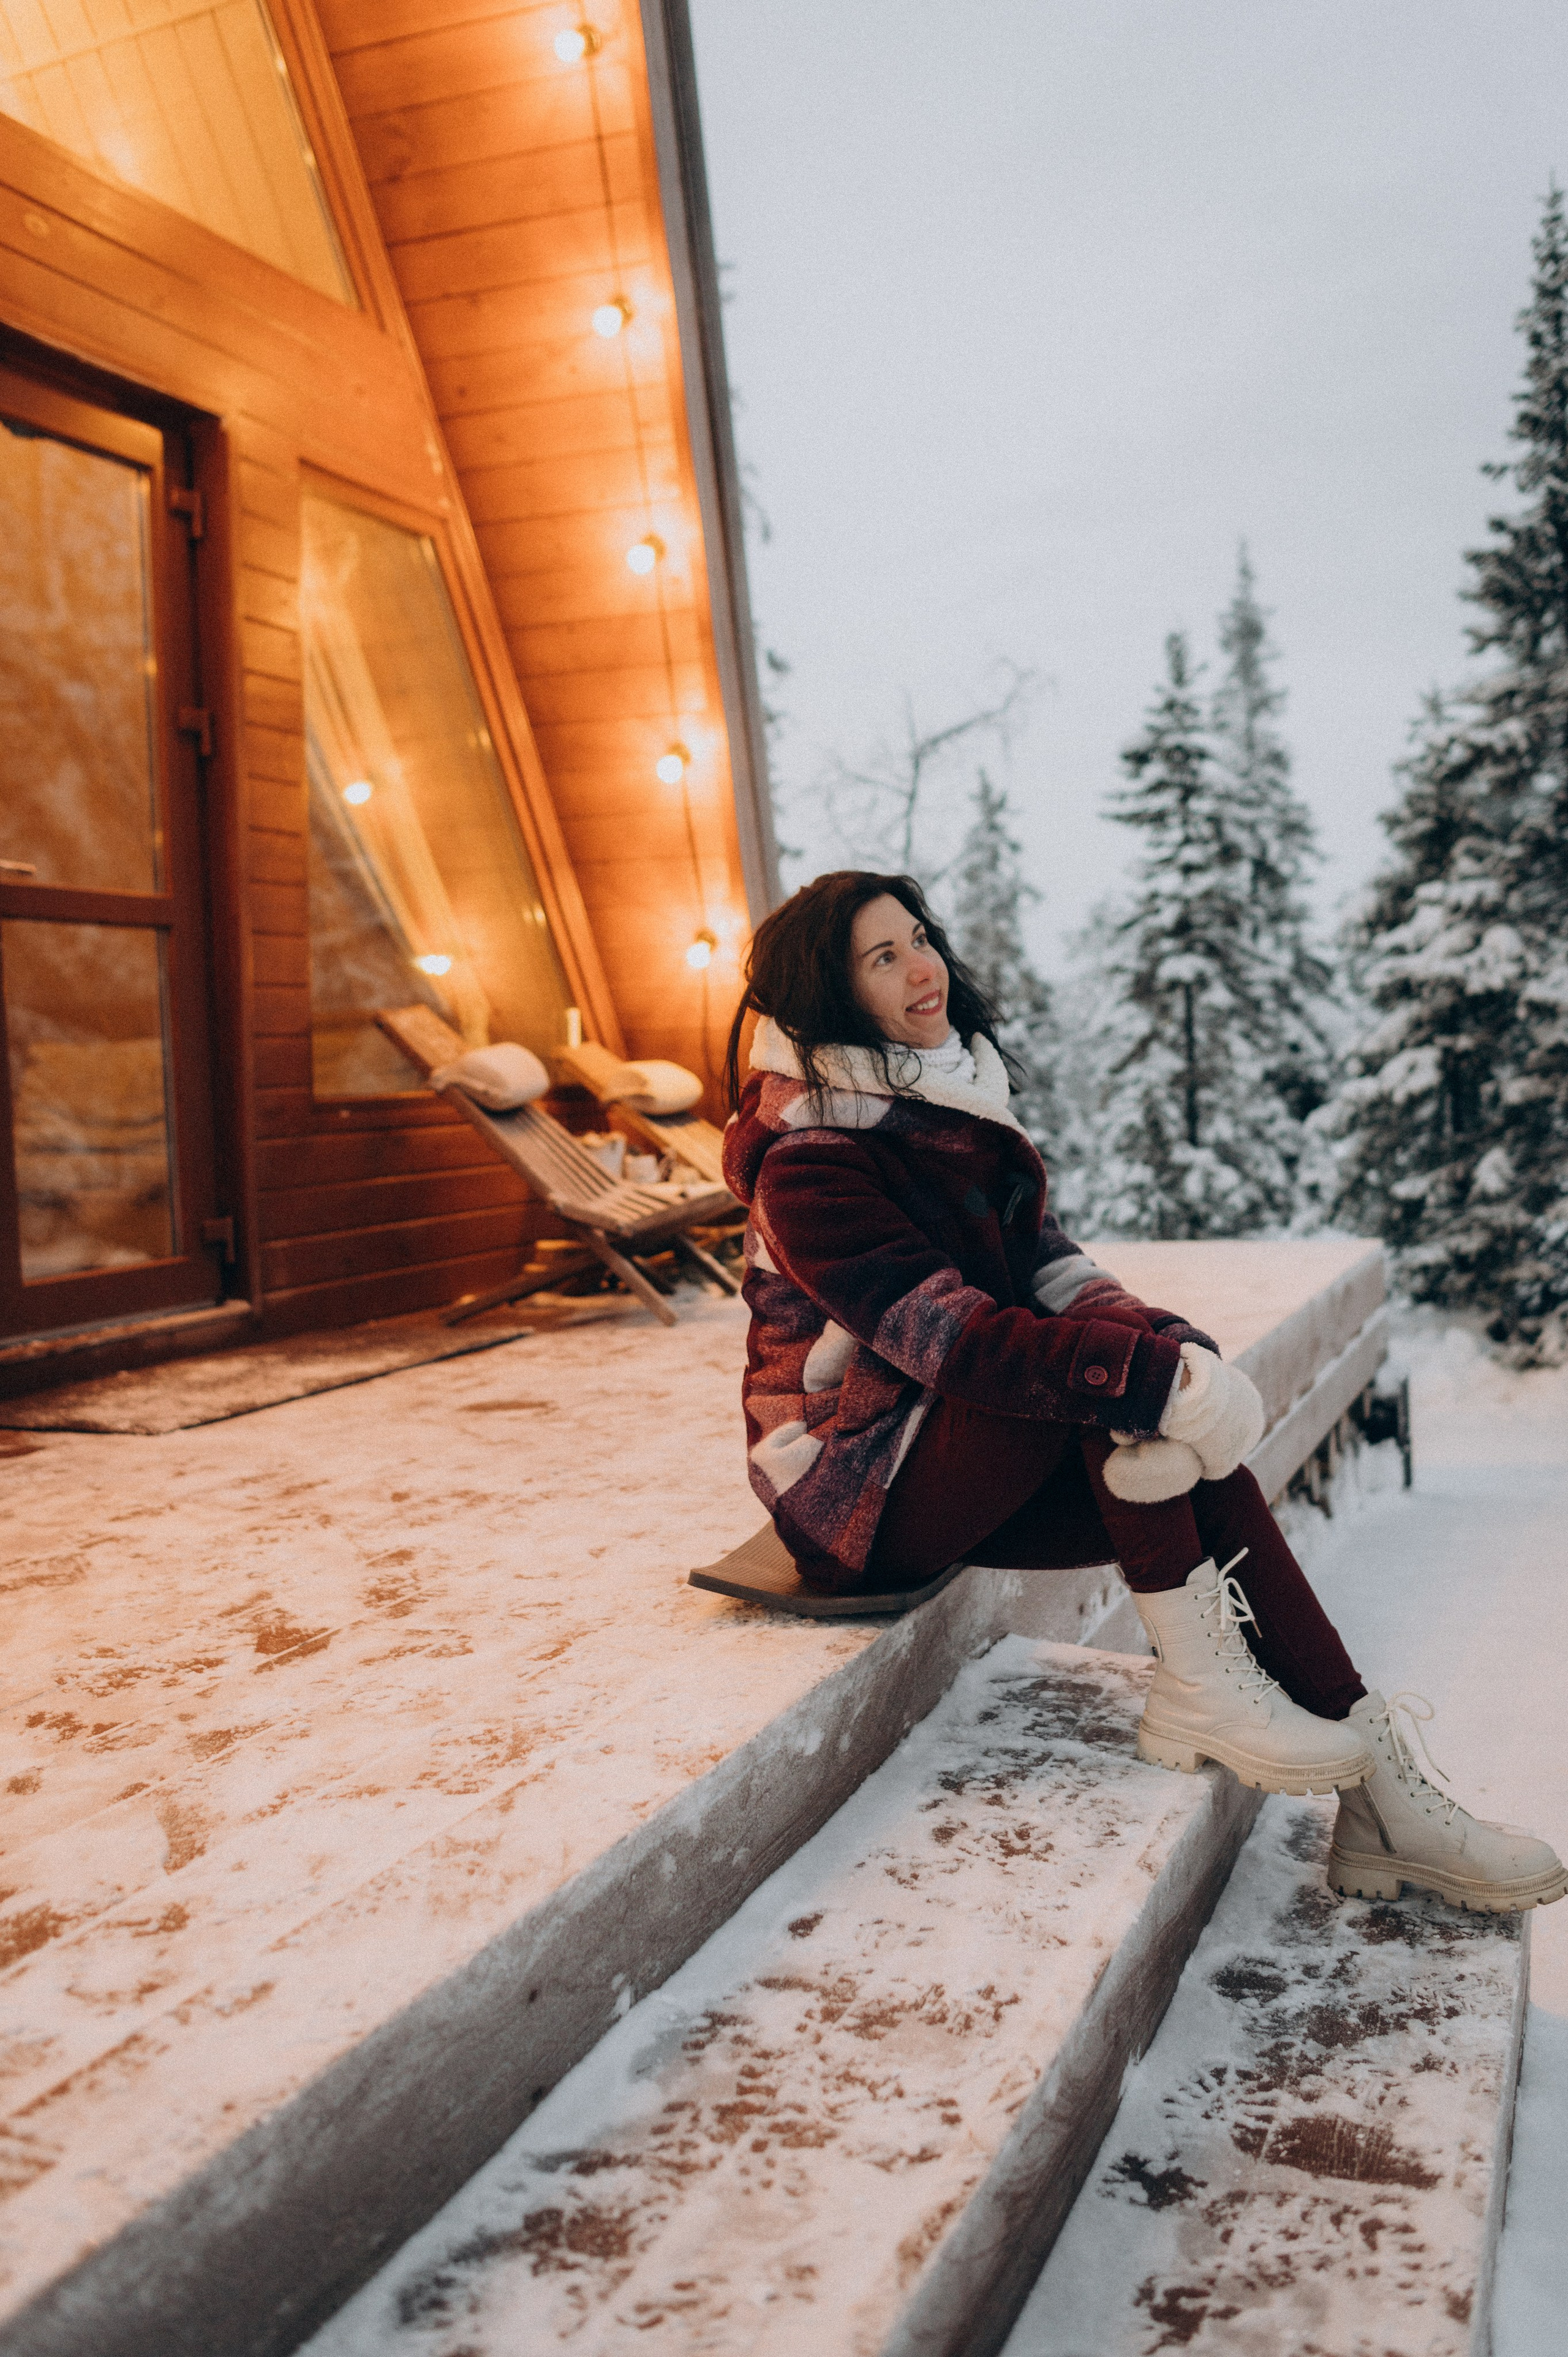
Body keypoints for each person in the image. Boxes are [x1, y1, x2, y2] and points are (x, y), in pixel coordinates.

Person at [721, 870, 1565, 1917]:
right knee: (1097, 1389)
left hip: (940, 1445)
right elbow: (954, 1340)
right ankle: (1214, 1692)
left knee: (1182, 1453)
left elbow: (1055, 1267)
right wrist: (1148, 1378)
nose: (922, 966)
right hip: (855, 1487)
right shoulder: (811, 1160)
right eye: (881, 957)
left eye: (920, 937)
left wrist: (1181, 1356)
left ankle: (1384, 1799)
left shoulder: (942, 1106)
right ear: (829, 995)